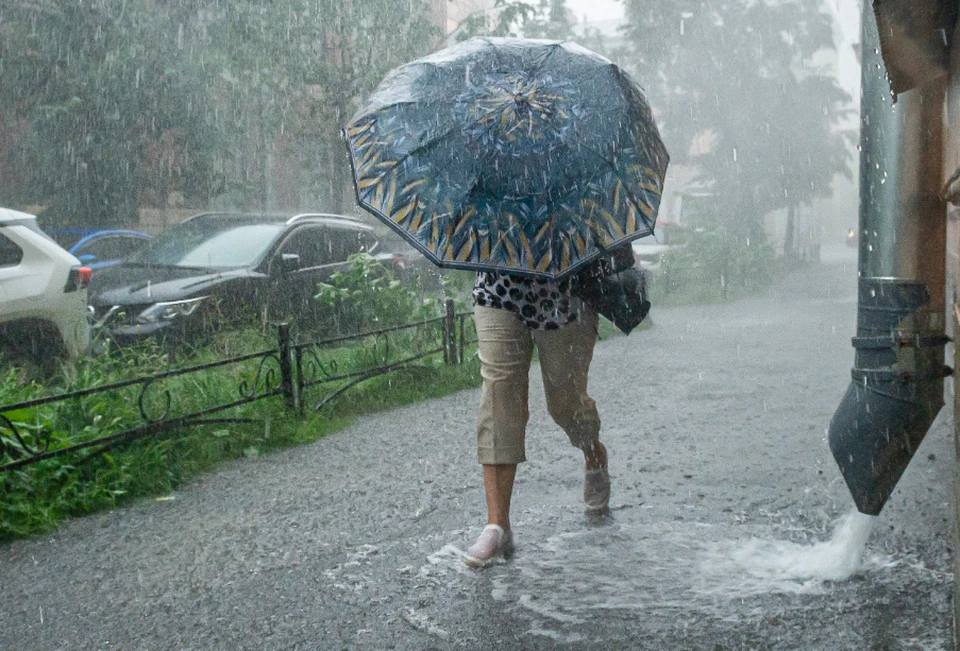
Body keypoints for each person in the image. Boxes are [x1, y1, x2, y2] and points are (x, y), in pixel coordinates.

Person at [463, 246, 633, 568]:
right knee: (500, 391)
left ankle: (593, 451)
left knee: (565, 400)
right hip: (497, 283)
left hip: (565, 285)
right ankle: (497, 524)